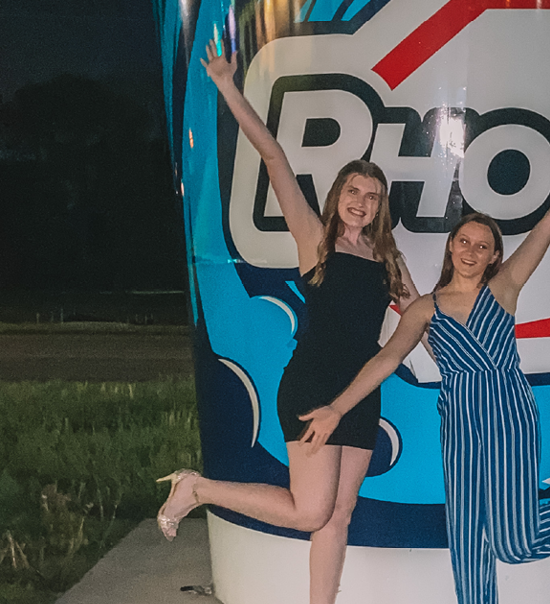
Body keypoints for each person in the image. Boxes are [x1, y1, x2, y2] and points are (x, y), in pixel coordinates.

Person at [298, 147, 550, 604]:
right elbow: (386, 359)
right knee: (469, 546)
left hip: (510, 417)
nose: (471, 251)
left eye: (482, 246)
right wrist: (338, 407)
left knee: (515, 543)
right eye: (463, 242)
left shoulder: (504, 287)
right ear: (450, 247)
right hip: (459, 425)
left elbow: (548, 224)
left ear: (495, 256)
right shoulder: (425, 309)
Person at [155, 41, 419, 604]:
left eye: (372, 197)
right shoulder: (313, 239)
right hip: (312, 386)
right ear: (337, 195)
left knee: (339, 514)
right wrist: (228, 85)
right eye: (353, 190)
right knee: (311, 510)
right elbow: (274, 156)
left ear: (380, 208)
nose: (362, 202)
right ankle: (197, 487)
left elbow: (417, 320)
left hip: (359, 396)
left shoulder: (389, 260)